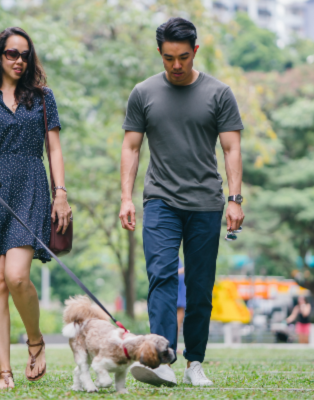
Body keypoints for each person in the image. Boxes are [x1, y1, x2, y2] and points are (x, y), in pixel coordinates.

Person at [119, 17, 244, 387]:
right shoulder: (143, 93)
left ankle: (194, 363)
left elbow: (232, 147)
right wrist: (126, 198)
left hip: (206, 202)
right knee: (161, 276)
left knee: (201, 286)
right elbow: (131, 147)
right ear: (159, 52)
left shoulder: (218, 93)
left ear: (195, 52)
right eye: (169, 57)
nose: (176, 65)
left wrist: (235, 199)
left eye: (184, 57)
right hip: (160, 199)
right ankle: (160, 360)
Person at [0, 27, 71, 389]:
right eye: (12, 54)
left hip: (31, 185)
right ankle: (4, 371)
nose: (19, 60)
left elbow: (53, 148)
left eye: (25, 54)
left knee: (17, 275)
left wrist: (61, 192)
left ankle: (35, 341)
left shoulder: (42, 98)